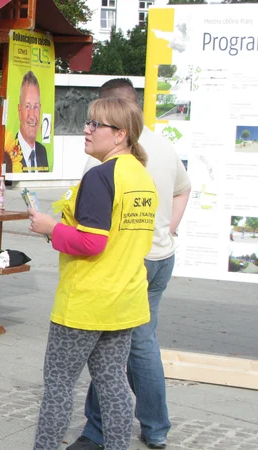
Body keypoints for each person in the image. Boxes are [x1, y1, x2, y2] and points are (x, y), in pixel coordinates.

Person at [28, 97, 158, 450]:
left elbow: (92, 243)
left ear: (120, 135)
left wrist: (50, 228)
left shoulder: (102, 176)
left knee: (57, 387)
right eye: (88, 122)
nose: (86, 129)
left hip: (85, 303)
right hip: (124, 301)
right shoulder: (141, 176)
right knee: (113, 384)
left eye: (95, 124)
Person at [68, 78, 191, 450]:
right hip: (160, 257)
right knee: (140, 342)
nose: (91, 127)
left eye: (95, 119)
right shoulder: (163, 145)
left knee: (113, 345)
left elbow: (89, 218)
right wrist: (167, 229)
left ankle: (101, 431)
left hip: (128, 261)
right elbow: (184, 188)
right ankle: (153, 428)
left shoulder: (110, 154)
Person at [4, 71, 49, 173]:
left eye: (36, 107)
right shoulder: (8, 153)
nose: (32, 115)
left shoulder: (42, 151)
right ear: (20, 111)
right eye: (27, 106)